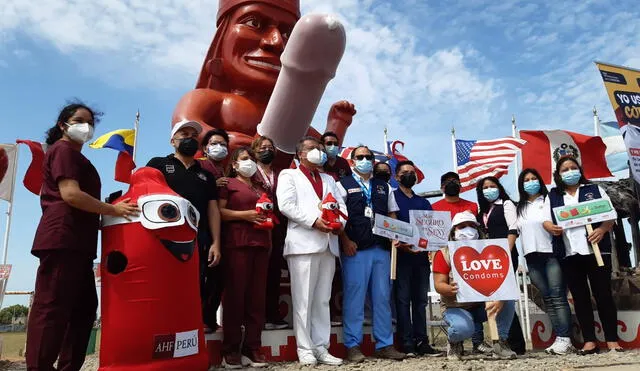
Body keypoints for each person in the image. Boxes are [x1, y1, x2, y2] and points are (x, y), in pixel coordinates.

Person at [27, 102, 139, 371]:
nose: (86, 127)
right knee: (52, 308)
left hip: (80, 243)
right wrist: (113, 209)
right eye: (79, 120)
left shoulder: (78, 158)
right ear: (62, 125)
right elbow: (71, 194)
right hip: (62, 239)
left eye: (90, 123)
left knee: (84, 308)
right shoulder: (63, 150)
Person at [542, 156, 623, 354]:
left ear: (579, 170)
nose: (569, 172)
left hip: (596, 252)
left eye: (573, 167)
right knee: (580, 298)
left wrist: (602, 230)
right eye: (564, 169)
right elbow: (545, 220)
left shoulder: (594, 190)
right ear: (558, 174)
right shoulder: (553, 195)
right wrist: (551, 227)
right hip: (569, 254)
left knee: (603, 294)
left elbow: (610, 214)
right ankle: (590, 341)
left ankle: (612, 339)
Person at [147, 120, 222, 331]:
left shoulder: (205, 175)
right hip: (163, 240)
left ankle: (190, 330)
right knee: (164, 284)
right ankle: (161, 329)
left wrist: (216, 242)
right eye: (184, 134)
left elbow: (213, 210)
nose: (189, 138)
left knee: (195, 286)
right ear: (172, 141)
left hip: (198, 240)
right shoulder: (158, 164)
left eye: (193, 135)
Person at [276, 137, 346, 366]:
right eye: (312, 148)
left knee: (322, 299)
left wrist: (340, 224)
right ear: (300, 154)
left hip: (328, 243)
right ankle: (304, 348)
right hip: (303, 242)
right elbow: (286, 205)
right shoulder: (289, 175)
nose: (318, 152)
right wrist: (313, 221)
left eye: (319, 148)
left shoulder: (329, 178)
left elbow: (341, 205)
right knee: (304, 299)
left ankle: (321, 347)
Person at [337, 145, 406, 363]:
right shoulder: (342, 185)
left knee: (382, 297)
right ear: (352, 161)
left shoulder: (384, 186)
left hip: (382, 249)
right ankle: (352, 345)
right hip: (356, 248)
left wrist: (395, 235)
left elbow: (392, 213)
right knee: (354, 298)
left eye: (368, 157)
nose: (365, 160)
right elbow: (338, 215)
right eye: (360, 157)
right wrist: (345, 241)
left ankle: (385, 344)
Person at [432, 211, 517, 361]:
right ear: (453, 231)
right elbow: (439, 285)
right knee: (462, 329)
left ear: (478, 230)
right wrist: (449, 289)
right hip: (455, 307)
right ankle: (454, 342)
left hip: (481, 307)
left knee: (508, 300)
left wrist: (500, 298)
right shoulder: (443, 254)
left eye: (472, 226)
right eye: (462, 226)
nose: (468, 230)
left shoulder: (492, 251)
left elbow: (502, 282)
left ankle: (500, 343)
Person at [218, 147, 271, 368]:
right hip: (238, 244)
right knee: (235, 298)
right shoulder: (227, 184)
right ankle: (231, 350)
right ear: (234, 164)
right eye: (244, 159)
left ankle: (252, 347)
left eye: (252, 159)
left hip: (261, 245)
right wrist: (245, 215)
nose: (249, 162)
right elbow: (220, 212)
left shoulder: (260, 188)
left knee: (256, 300)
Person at [515, 168, 574, 355]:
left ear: (540, 181)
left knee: (558, 296)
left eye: (534, 178)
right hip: (531, 257)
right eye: (526, 180)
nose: (530, 182)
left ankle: (565, 338)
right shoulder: (519, 207)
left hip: (550, 253)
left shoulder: (549, 200)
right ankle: (559, 338)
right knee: (547, 298)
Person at [392, 161, 442, 357]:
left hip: (421, 258)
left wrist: (432, 246)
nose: (409, 175)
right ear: (397, 177)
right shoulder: (392, 198)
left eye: (412, 172)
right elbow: (389, 225)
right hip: (401, 257)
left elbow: (432, 231)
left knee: (420, 301)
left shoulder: (424, 203)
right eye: (405, 172)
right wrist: (403, 245)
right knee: (403, 301)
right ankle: (406, 343)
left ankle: (422, 341)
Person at [476, 176, 526, 355]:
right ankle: (507, 340)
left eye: (492, 186)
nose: (489, 189)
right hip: (488, 260)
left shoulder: (506, 204)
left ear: (499, 187)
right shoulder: (482, 210)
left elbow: (513, 228)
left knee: (506, 295)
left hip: (505, 255)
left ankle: (512, 341)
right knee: (496, 297)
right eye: (485, 187)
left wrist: (506, 252)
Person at [251, 135, 289, 330]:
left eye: (270, 147)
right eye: (262, 147)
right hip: (255, 226)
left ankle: (273, 315)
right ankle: (254, 317)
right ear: (255, 151)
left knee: (273, 271)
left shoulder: (281, 173)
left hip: (277, 228)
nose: (267, 150)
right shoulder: (249, 173)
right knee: (255, 274)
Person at [198, 128, 230, 331]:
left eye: (224, 145)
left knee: (219, 279)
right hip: (203, 229)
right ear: (205, 147)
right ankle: (199, 319)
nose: (219, 148)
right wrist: (212, 184)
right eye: (215, 143)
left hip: (224, 230)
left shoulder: (227, 170)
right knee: (202, 276)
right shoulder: (200, 167)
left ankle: (210, 319)